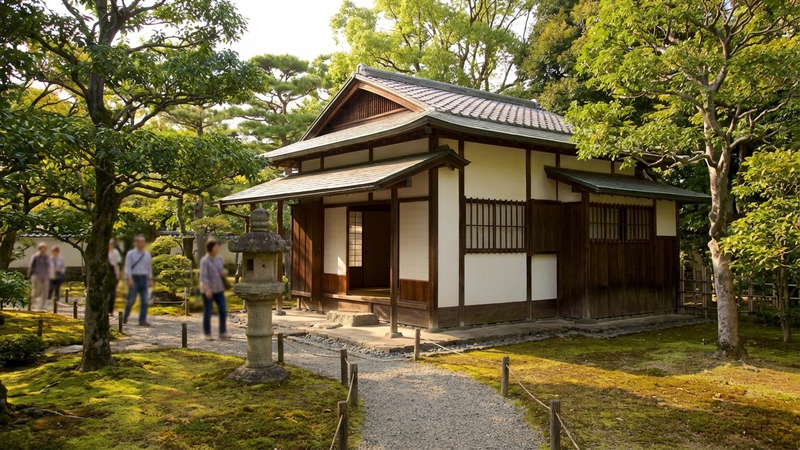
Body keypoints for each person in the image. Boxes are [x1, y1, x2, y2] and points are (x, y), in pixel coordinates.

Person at [199, 238, 230, 341]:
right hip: (208, 290)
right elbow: (203, 277)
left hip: (219, 288)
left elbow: (220, 270)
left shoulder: (219, 258)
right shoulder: (205, 261)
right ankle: (207, 333)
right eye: (216, 246)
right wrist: (207, 290)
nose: (218, 248)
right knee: (208, 312)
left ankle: (222, 332)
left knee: (222, 310)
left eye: (218, 246)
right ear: (210, 247)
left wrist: (223, 274)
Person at [123, 235, 152, 326]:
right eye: (140, 241)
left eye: (143, 241)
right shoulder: (131, 254)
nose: (142, 243)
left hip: (144, 278)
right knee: (131, 300)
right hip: (134, 278)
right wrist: (129, 278)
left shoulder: (147, 254)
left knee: (144, 301)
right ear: (136, 243)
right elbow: (127, 267)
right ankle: (125, 316)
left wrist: (150, 279)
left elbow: (149, 268)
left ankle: (142, 320)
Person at [28, 243, 51, 311]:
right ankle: (32, 303)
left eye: (45, 248)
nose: (44, 249)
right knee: (36, 290)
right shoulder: (35, 256)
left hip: (45, 275)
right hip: (36, 275)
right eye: (43, 248)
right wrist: (30, 274)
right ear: (40, 248)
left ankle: (43, 305)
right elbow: (32, 265)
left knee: (45, 290)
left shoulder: (47, 257)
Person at [108, 239, 121, 315]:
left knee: (112, 293)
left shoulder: (115, 252)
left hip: (112, 271)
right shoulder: (103, 252)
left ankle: (110, 310)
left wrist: (117, 274)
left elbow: (116, 265)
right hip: (105, 271)